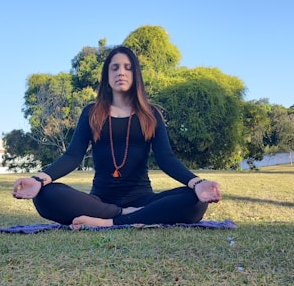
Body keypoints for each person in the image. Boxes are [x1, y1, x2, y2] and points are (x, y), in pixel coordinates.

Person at [12, 46, 221, 227]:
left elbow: (166, 158)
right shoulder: (91, 112)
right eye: (115, 67)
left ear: (136, 74)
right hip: (99, 202)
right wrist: (38, 180)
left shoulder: (151, 114)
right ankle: (125, 215)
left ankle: (109, 222)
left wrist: (197, 183)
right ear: (107, 75)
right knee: (45, 195)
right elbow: (73, 156)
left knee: (196, 201)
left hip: (143, 200)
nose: (121, 72)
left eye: (127, 67)